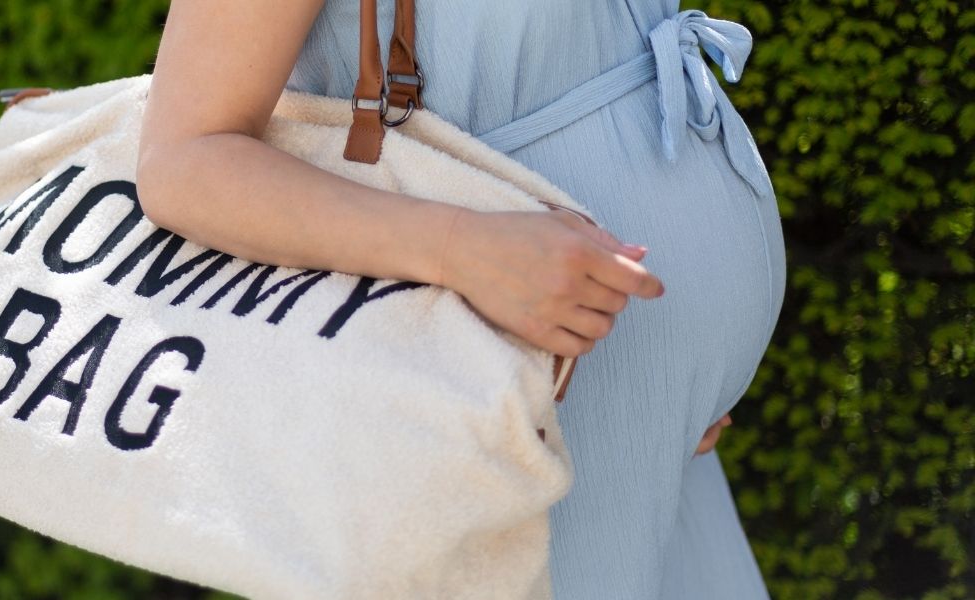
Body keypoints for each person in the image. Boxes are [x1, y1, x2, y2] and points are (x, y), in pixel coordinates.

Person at [136, 1, 785, 598]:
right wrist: (460, 249)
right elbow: (185, 160)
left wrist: (685, 374)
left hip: (642, 431)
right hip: (503, 395)